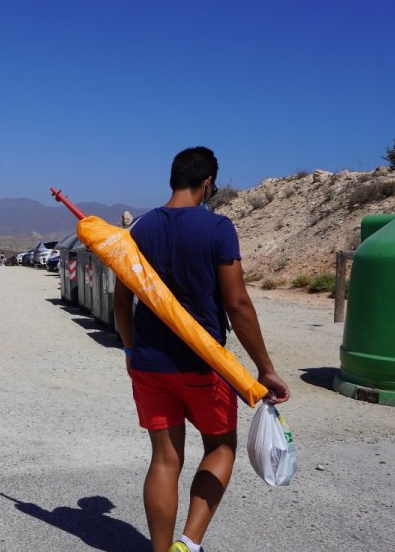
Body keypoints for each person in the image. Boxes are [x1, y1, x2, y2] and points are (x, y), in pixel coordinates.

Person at [113, 146, 290, 552]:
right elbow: (238, 304)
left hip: (149, 365)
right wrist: (265, 367)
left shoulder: (138, 229)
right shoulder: (218, 229)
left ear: (173, 179)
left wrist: (129, 349)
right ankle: (188, 544)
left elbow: (122, 302)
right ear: (207, 183)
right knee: (221, 446)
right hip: (202, 365)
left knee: (164, 459)